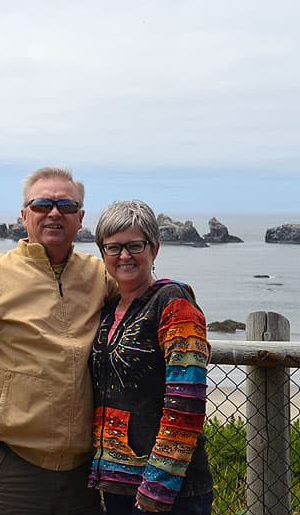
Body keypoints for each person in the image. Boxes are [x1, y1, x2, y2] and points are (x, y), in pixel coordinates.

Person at [0, 167, 116, 514]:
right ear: (24, 215)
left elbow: (140, 297)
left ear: (80, 218)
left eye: (65, 205)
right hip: (10, 466)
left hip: (84, 469)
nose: (54, 213)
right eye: (42, 205)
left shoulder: (99, 276)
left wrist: (175, 298)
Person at [88, 200, 213, 514]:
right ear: (102, 253)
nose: (125, 256)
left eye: (135, 245)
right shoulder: (109, 309)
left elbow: (186, 403)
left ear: (155, 249)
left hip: (169, 494)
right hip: (116, 484)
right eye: (113, 247)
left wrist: (156, 489)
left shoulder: (174, 304)